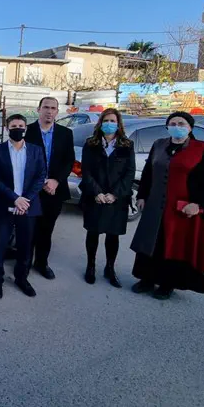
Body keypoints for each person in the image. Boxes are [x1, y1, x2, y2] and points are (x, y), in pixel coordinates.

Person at [130, 112, 204, 300]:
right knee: (151, 242)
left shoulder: (200, 148)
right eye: (173, 123)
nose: (177, 126)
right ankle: (146, 279)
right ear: (167, 126)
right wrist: (142, 196)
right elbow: (148, 173)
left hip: (180, 208)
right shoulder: (159, 145)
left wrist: (197, 204)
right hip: (154, 204)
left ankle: (167, 284)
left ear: (190, 128)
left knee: (172, 245)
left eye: (181, 123)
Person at [0, 114, 47, 299]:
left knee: (25, 245)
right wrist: (15, 198)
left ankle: (22, 278)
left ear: (26, 128)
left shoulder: (36, 150)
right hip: (4, 204)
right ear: (7, 128)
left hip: (28, 206)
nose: (18, 128)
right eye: (14, 125)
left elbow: (40, 176)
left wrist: (25, 200)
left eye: (21, 125)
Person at [79, 108, 136, 287]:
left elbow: (129, 172)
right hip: (95, 197)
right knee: (93, 233)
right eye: (106, 121)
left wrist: (115, 194)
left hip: (116, 199)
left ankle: (110, 268)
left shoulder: (127, 145)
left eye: (113, 121)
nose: (109, 124)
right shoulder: (91, 144)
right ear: (100, 123)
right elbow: (86, 171)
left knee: (113, 236)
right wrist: (97, 192)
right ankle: (90, 266)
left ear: (118, 124)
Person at [25, 97, 75, 280]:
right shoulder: (26, 131)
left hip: (54, 190)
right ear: (38, 109)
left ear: (57, 111)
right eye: (46, 107)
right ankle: (25, 262)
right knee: (29, 228)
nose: (49, 111)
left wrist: (56, 180)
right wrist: (39, 183)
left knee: (46, 229)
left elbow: (68, 161)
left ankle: (41, 263)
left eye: (53, 108)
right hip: (31, 191)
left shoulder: (65, 133)